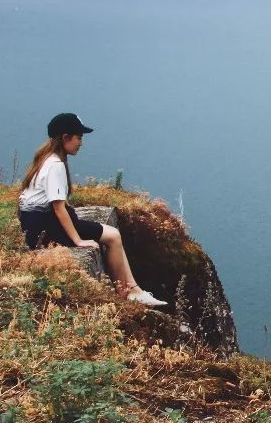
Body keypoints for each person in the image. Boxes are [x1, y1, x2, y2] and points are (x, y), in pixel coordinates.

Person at [17, 112, 166, 307]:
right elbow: (59, 208)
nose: (81, 143)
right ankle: (130, 291)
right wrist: (77, 240)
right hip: (47, 227)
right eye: (79, 137)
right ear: (65, 138)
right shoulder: (55, 165)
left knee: (109, 233)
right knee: (113, 236)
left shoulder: (46, 159)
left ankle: (131, 290)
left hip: (37, 225)